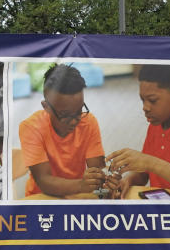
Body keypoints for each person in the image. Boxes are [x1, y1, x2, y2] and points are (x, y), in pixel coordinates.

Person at [105, 64, 170, 199]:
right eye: (143, 100)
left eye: (152, 100)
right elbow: (144, 173)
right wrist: (128, 180)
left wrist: (151, 163)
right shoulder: (156, 124)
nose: (145, 107)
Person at [17, 64, 106, 197]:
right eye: (65, 115)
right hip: (42, 197)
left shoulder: (88, 121)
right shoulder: (31, 127)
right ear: (46, 107)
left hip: (76, 194)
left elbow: (97, 169)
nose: (75, 120)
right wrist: (81, 185)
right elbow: (44, 181)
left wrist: (101, 177)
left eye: (79, 111)